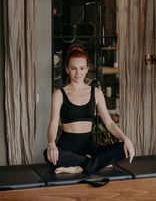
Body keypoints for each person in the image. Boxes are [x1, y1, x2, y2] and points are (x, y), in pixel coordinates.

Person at [44, 45, 135, 174]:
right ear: (67, 69)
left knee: (124, 148)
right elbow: (53, 123)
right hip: (67, 148)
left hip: (89, 146)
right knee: (47, 154)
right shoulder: (59, 94)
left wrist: (125, 139)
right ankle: (94, 163)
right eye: (73, 68)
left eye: (81, 68)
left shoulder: (96, 93)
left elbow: (109, 123)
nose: (78, 73)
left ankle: (79, 167)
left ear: (87, 69)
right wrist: (51, 144)